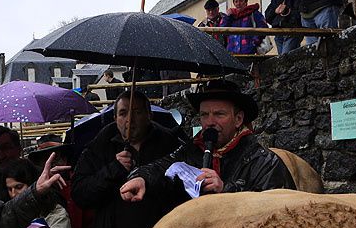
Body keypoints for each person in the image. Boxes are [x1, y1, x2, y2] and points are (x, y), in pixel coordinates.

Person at [120, 81, 295, 205]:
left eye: (219, 114)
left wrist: (225, 190)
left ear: (238, 119)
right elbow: (160, 167)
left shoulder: (264, 162)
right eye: (204, 115)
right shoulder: (190, 152)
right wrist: (141, 178)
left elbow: (277, 210)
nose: (209, 122)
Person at [71, 90, 184, 228]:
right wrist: (113, 169)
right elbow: (80, 193)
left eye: (137, 112)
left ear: (149, 115)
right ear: (115, 118)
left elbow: (182, 188)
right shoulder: (100, 145)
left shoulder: (169, 144)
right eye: (123, 113)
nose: (130, 119)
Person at [27, 137, 93, 228]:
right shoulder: (33, 192)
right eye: (45, 159)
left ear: (65, 159)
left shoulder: (79, 187)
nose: (51, 163)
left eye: (56, 158)